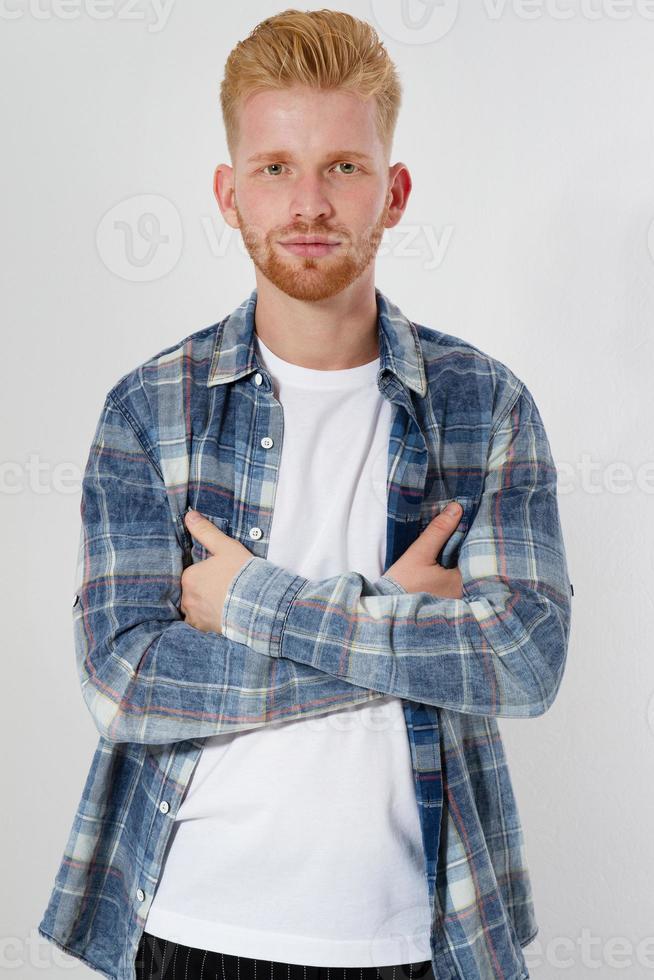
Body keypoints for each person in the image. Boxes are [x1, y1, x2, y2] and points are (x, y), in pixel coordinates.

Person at [37, 10, 573, 980]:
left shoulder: (484, 404)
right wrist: (400, 625)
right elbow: (123, 682)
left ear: (394, 191)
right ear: (228, 192)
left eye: (343, 166)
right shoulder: (149, 408)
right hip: (193, 927)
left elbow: (527, 661)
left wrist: (251, 601)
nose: (309, 201)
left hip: (429, 934)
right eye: (275, 166)